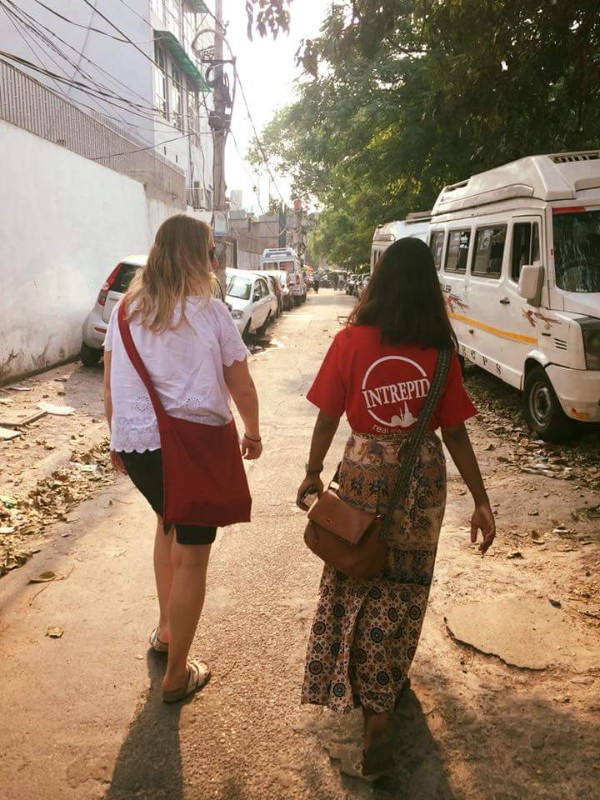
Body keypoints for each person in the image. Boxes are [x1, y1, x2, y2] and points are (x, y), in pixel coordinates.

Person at [296, 237, 495, 777]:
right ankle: (383, 702)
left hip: (363, 474)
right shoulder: (441, 350)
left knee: (357, 575)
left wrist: (313, 471)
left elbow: (327, 417)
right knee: (405, 590)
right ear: (430, 286)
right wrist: (481, 501)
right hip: (421, 484)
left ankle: (366, 697)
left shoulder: (350, 341)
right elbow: (454, 433)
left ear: (379, 280)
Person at [103, 215, 262, 703]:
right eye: (211, 251)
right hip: (194, 448)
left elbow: (110, 382)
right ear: (197, 257)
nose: (215, 260)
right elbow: (241, 384)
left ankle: (166, 630)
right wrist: (253, 432)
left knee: (166, 522)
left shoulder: (126, 309)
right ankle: (176, 675)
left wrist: (117, 439)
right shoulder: (210, 313)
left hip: (139, 446)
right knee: (192, 554)